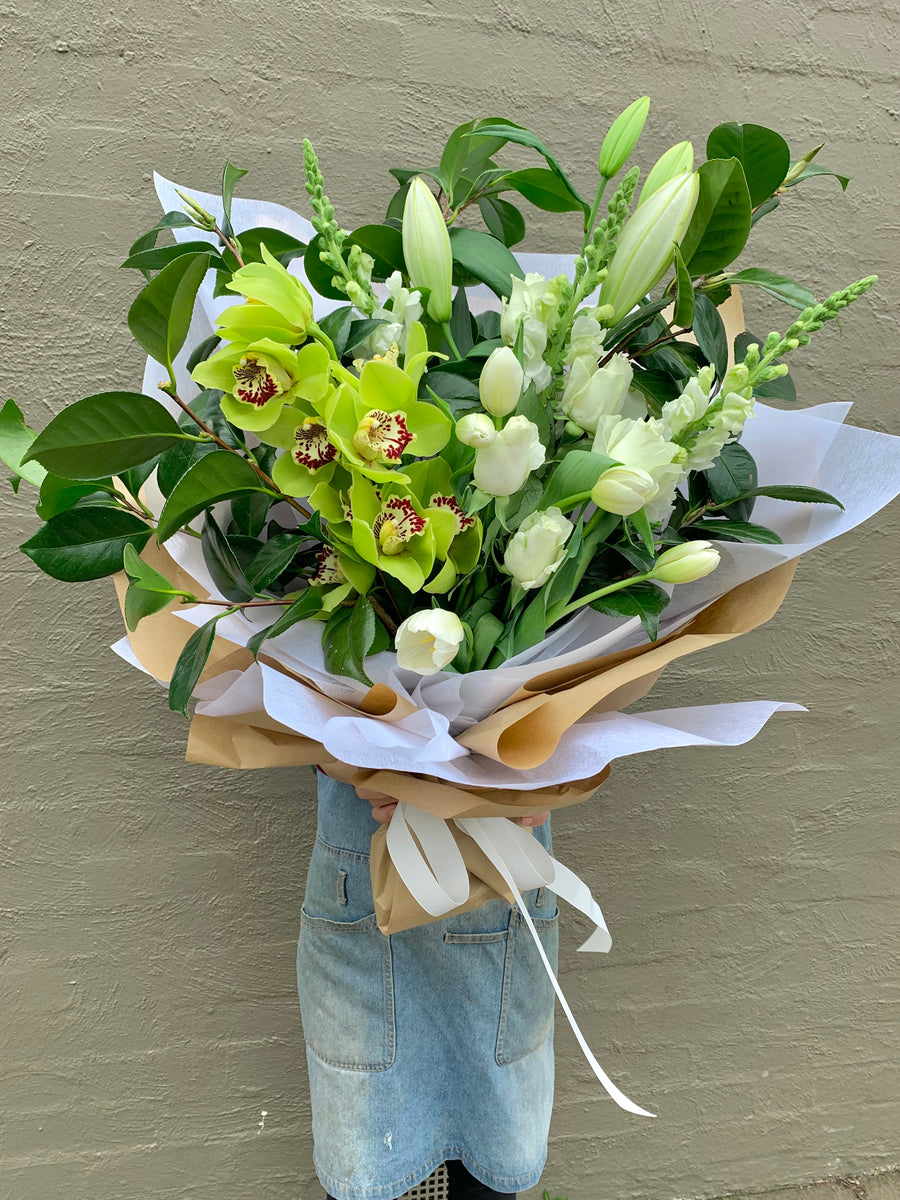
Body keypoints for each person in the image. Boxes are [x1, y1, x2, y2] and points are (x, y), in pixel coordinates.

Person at [298, 765, 556, 1200]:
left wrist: (553, 772)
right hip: (362, 888)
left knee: (489, 1173)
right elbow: (282, 702)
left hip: (503, 873)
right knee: (365, 1158)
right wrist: (349, 760)